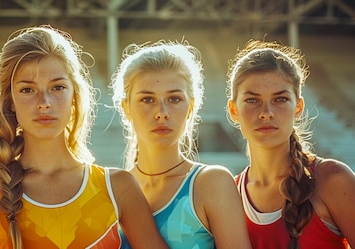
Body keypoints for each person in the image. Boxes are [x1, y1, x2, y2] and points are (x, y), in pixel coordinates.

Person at [0, 25, 168, 249]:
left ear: (74, 96)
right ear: (11, 101)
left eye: (57, 87)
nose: (44, 102)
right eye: (27, 90)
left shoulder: (117, 187)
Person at [110, 41, 252, 249]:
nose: (162, 112)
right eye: (147, 99)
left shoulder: (212, 183)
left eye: (174, 99)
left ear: (191, 106)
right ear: (126, 108)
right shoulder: (111, 191)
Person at [226, 40, 355, 248]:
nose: (266, 113)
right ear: (233, 110)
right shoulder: (228, 196)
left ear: (298, 107)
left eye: (280, 99)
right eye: (252, 100)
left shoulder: (332, 180)